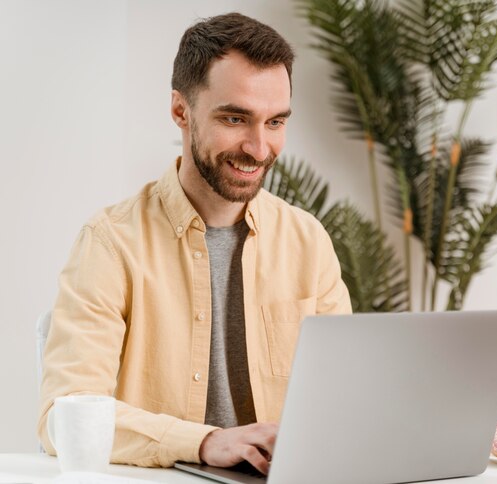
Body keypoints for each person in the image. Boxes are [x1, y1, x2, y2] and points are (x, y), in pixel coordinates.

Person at [38, 12, 352, 474]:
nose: (259, 148)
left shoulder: (307, 241)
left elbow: (345, 403)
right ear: (181, 111)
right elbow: (60, 418)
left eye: (276, 122)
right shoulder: (109, 243)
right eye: (235, 118)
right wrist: (206, 442)